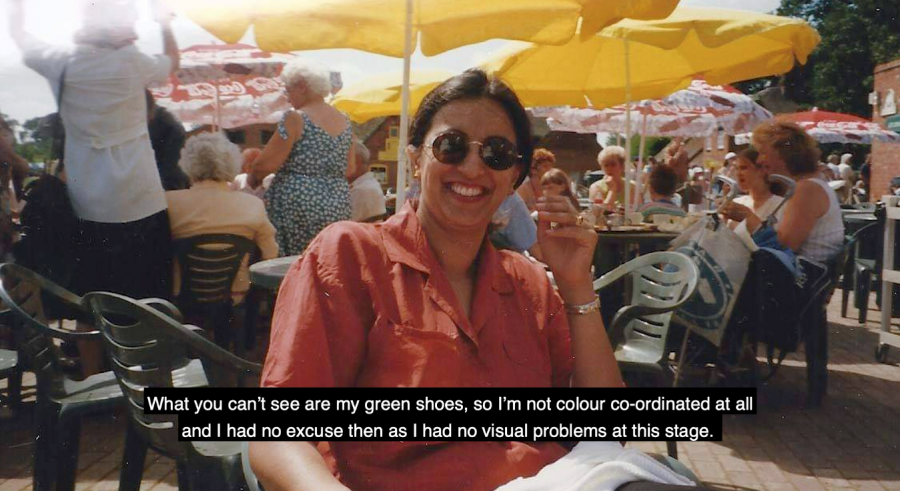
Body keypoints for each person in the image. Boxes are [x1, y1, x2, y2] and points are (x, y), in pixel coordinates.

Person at [249, 69, 643, 491]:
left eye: (496, 153)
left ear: (513, 175)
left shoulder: (528, 281)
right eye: (451, 146)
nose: (473, 166)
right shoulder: (350, 256)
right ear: (416, 159)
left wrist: (577, 286)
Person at [11, 0, 179, 377]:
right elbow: (172, 60)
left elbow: (21, 37)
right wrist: (165, 22)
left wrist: (18, 8)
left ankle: (93, 375)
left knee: (92, 299)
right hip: (142, 198)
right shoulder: (134, 61)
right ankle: (145, 378)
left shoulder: (63, 61)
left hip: (90, 204)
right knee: (148, 298)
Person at [252, 58, 352, 256]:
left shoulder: (295, 117)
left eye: (288, 90)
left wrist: (252, 178)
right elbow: (350, 169)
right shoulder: (345, 121)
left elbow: (265, 165)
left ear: (302, 86)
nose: (288, 97)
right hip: (338, 202)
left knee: (293, 266)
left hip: (297, 203)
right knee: (326, 263)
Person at [166, 132, 278, 305]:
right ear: (232, 165)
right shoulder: (252, 205)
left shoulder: (169, 202)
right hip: (234, 298)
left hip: (180, 297)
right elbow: (270, 254)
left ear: (187, 165)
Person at [721, 121, 844, 263]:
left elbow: (783, 248)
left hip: (800, 277)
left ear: (783, 154)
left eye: (763, 152)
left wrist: (748, 218)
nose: (759, 160)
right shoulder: (810, 185)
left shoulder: (807, 189)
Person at [726, 149, 784, 229]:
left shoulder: (781, 205)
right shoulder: (737, 203)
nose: (738, 173)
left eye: (743, 168)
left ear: (762, 170)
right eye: (737, 168)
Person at [146, 90, 190, 191]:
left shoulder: (164, 124)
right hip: (172, 183)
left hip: (168, 186)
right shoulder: (165, 119)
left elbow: (170, 168)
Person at [346, 139, 387, 222]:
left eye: (345, 159)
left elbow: (342, 225)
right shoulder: (368, 184)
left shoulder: (362, 190)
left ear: (357, 161)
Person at [516, 147, 555, 212]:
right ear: (533, 170)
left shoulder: (550, 190)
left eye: (551, 166)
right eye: (545, 166)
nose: (550, 169)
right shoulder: (523, 190)